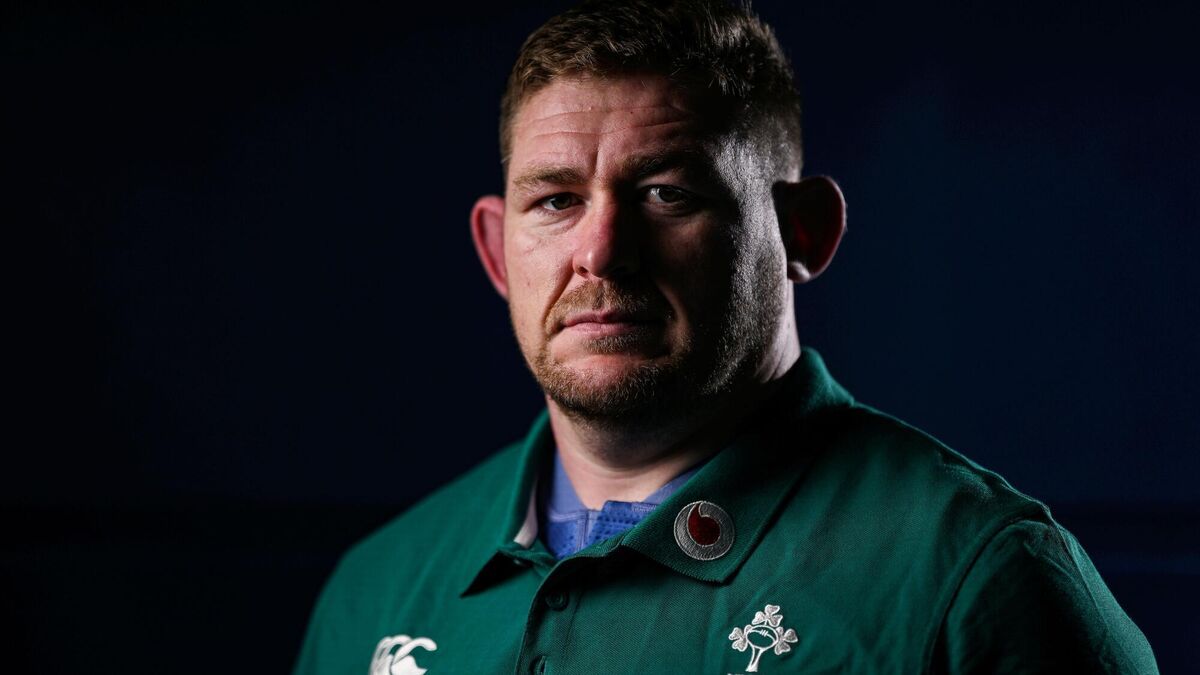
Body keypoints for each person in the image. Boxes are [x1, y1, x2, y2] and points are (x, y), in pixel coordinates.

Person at [293, 1, 1157, 673]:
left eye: (668, 193)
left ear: (804, 233)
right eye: (556, 200)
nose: (601, 251)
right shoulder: (377, 592)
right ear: (496, 252)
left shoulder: (976, 580)